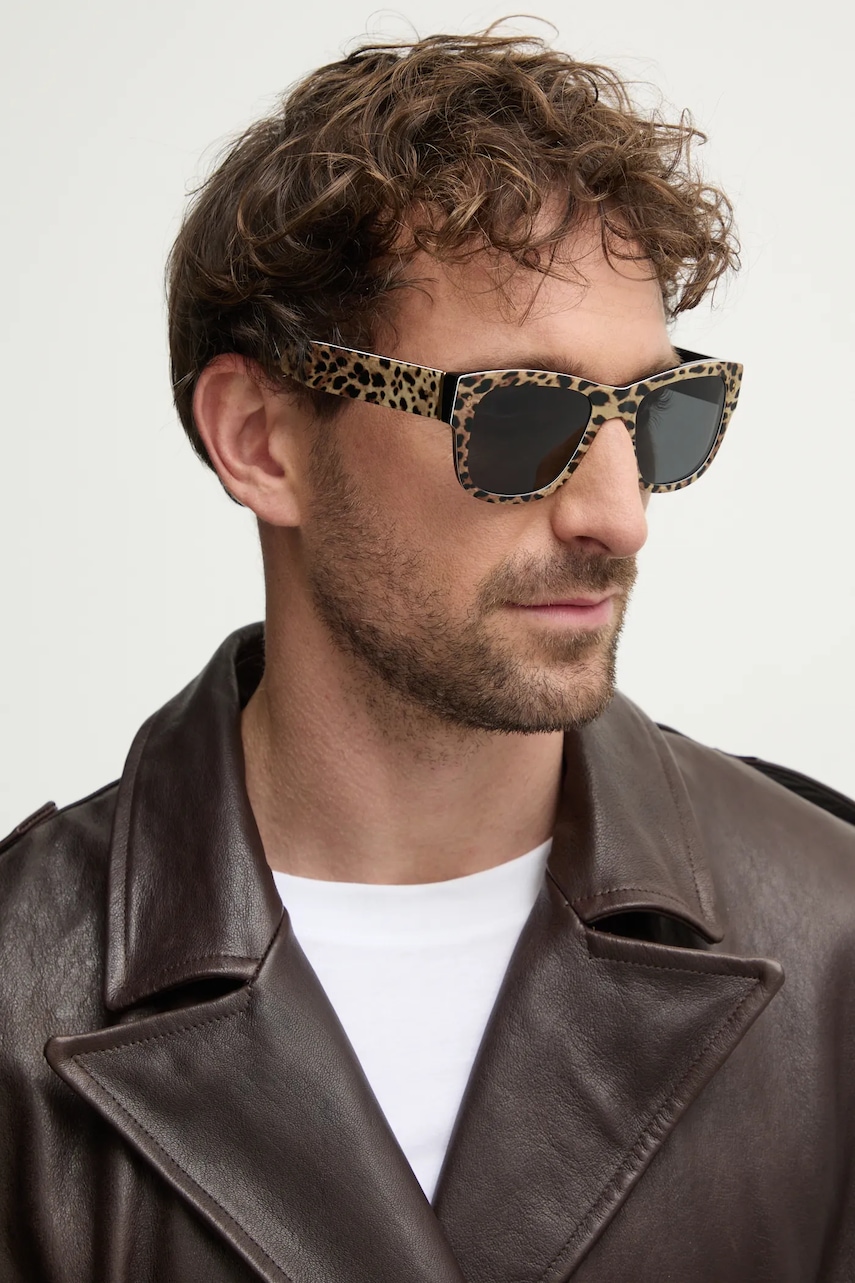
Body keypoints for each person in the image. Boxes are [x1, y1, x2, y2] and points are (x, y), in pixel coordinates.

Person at [2, 24, 854, 1283]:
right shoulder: (21, 993)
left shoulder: (833, 943)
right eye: (520, 418)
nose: (619, 514)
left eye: (658, 415)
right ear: (261, 439)